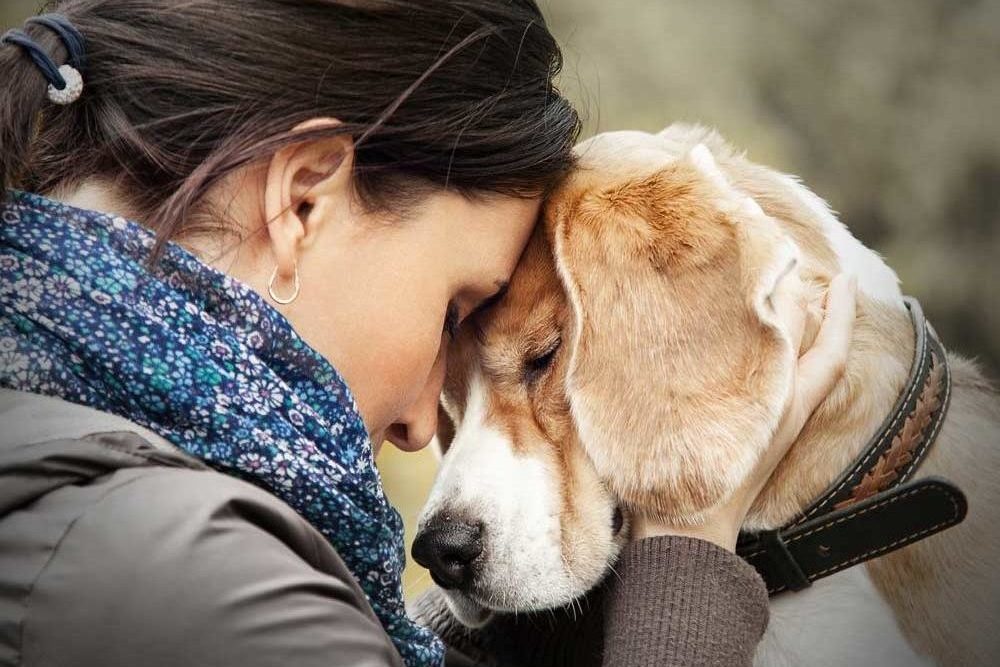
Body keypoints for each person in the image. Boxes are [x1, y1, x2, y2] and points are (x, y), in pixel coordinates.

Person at [0, 2, 856, 666]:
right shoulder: (194, 580)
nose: (419, 426)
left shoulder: (62, 461)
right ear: (301, 201)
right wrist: (687, 557)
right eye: (453, 311)